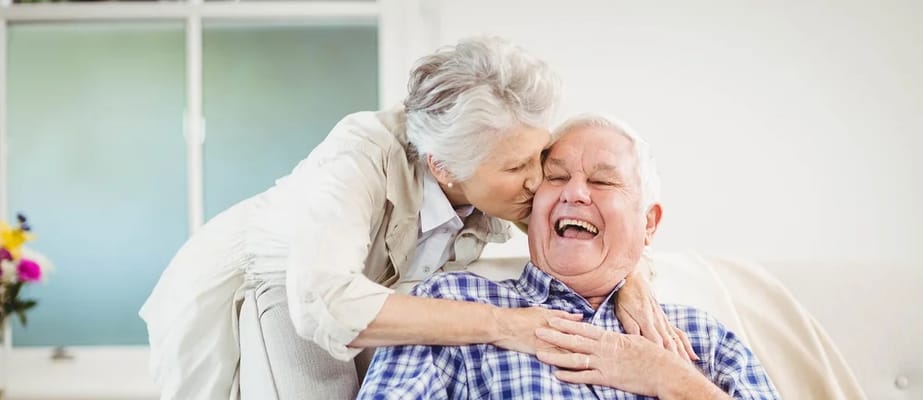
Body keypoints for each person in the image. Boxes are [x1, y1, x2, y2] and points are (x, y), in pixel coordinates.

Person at [140, 38, 689, 400]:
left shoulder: (505, 162)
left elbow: (582, 223)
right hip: (280, 283)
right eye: (518, 167)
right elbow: (323, 303)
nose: (537, 181)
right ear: (444, 168)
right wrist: (506, 325)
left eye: (539, 157)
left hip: (367, 289)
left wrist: (632, 281)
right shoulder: (357, 157)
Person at [357, 114, 780, 399]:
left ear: (649, 223)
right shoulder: (451, 304)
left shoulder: (703, 339)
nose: (574, 192)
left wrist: (673, 380)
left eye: (602, 181)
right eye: (555, 177)